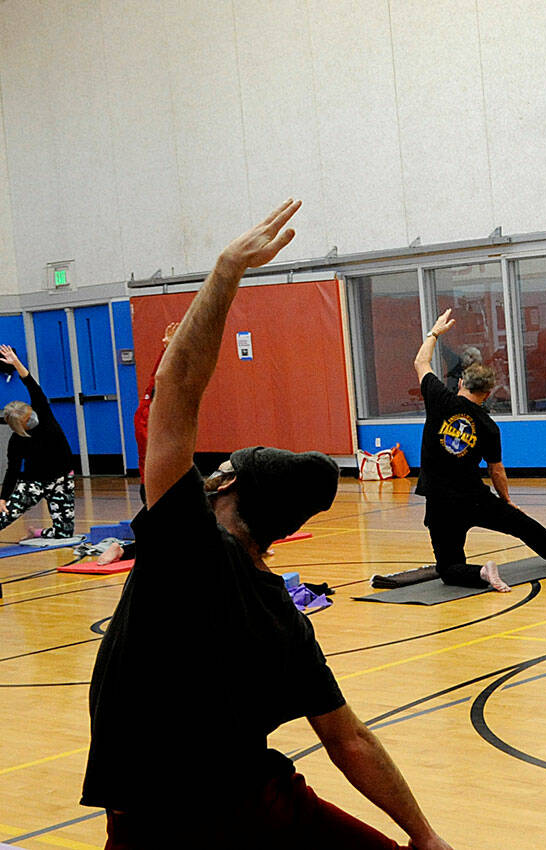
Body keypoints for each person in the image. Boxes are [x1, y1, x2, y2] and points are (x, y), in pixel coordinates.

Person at [81, 200, 452, 850]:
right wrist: (424, 837)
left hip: (160, 829)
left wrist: (227, 269)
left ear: (225, 484)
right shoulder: (283, 616)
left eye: (222, 465)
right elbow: (349, 740)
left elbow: (177, 393)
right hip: (266, 808)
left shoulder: (189, 550)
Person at [416, 309, 546, 592]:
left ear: (461, 383)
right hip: (475, 498)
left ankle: (482, 573)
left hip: (440, 502)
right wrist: (506, 500)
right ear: (487, 394)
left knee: (449, 569)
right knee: (522, 525)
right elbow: (496, 470)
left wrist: (435, 333)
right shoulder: (488, 425)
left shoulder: (439, 399)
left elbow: (421, 362)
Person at [0, 345, 78, 541]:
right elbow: (12, 470)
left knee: (64, 534)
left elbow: (31, 384)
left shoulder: (43, 412)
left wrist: (15, 362)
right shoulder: (17, 441)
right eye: (27, 420)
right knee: (3, 516)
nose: (32, 419)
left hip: (62, 478)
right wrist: (3, 498)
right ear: (19, 426)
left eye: (30, 414)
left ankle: (38, 533)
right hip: (33, 483)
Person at [134, 321, 180, 503]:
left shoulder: (150, 402)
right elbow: (159, 377)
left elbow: (156, 376)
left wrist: (168, 348)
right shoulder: (147, 416)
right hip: (154, 486)